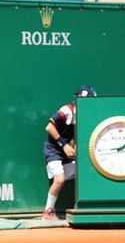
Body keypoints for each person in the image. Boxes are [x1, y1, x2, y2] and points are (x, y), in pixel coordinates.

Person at [41, 85, 97, 221]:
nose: (85, 104)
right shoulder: (67, 111)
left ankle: (87, 208)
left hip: (69, 152)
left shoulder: (88, 115)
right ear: (76, 100)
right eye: (82, 100)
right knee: (59, 180)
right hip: (54, 150)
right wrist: (64, 144)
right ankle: (48, 212)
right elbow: (49, 127)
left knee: (86, 174)